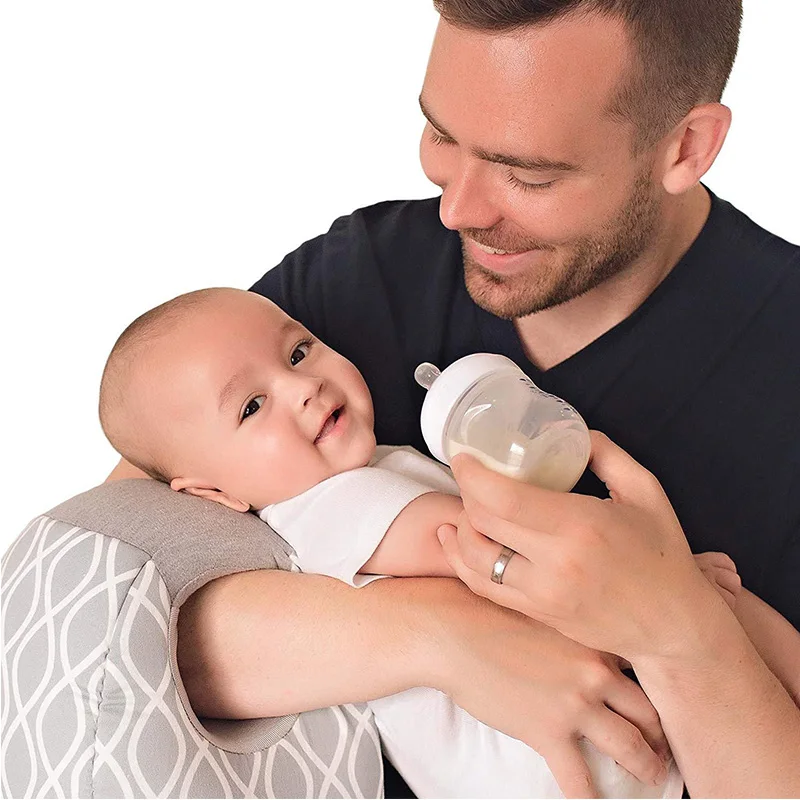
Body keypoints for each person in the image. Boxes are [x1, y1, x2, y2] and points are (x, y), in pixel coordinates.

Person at [109, 1, 800, 796]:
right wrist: (440, 637)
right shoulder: (355, 279)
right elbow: (104, 614)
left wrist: (684, 633)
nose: (456, 210)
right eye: (441, 135)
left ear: (687, 146)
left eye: (527, 173)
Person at [99, 286, 798, 798]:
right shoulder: (324, 511)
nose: (303, 387)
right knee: (721, 613)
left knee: (713, 623)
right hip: (547, 768)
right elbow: (487, 551)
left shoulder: (373, 470)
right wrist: (655, 578)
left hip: (577, 754)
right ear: (212, 494)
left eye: (299, 351)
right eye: (252, 406)